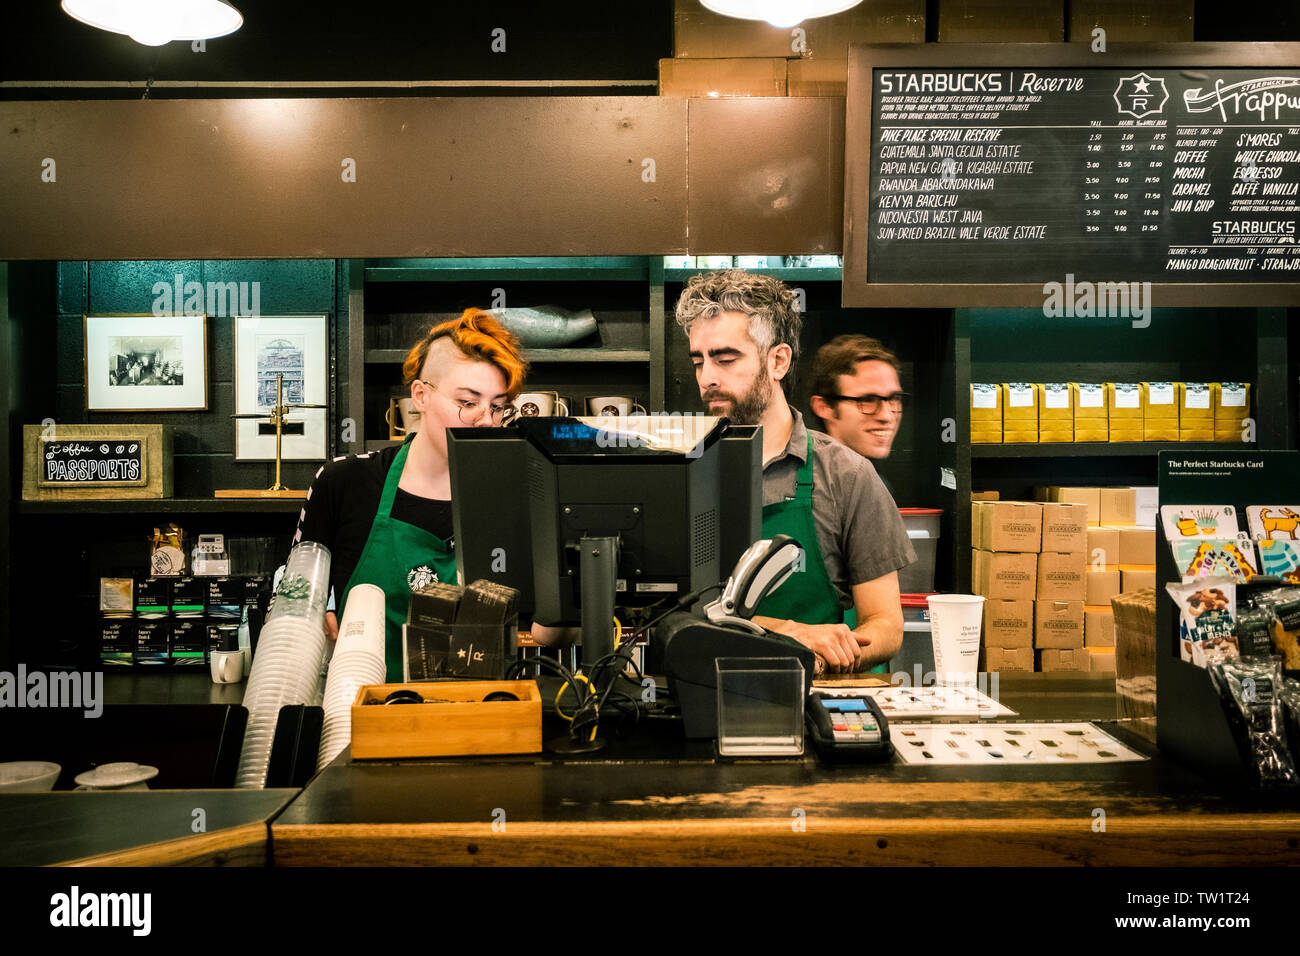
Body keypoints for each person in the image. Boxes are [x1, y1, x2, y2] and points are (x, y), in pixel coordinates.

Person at [676, 270, 914, 673]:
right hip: (702, 699)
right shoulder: (683, 470)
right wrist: (788, 633)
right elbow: (666, 617)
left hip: (812, 698)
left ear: (778, 360)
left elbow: (887, 626)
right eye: (699, 360)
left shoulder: (847, 476)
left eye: (726, 358)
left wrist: (827, 653)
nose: (707, 378)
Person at [294, 308, 528, 681]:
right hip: (362, 713)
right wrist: (313, 613)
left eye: (497, 407)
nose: (485, 421)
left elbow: (537, 622)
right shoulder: (343, 482)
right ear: (420, 395)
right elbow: (293, 607)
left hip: (480, 715)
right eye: (468, 403)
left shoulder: (510, 494)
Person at [808, 334, 904, 466]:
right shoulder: (815, 483)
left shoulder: (870, 479)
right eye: (868, 400)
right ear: (824, 407)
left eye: (894, 398)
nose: (887, 416)